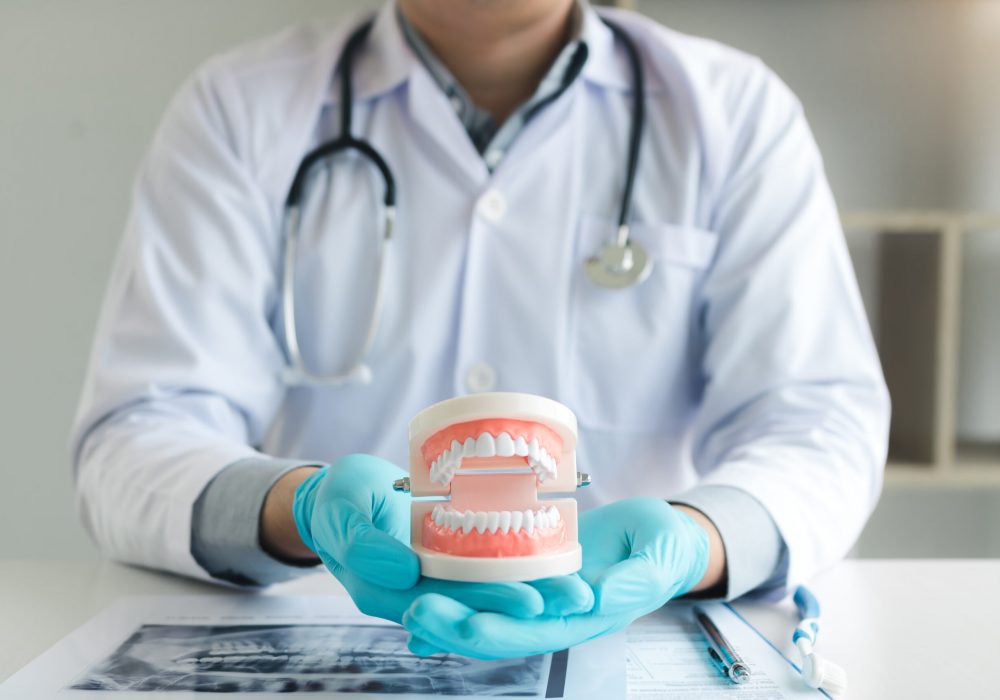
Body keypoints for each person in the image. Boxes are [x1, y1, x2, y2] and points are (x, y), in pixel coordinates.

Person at [72, 0, 889, 659]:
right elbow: (136, 438)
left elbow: (819, 424)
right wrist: (301, 508)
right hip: (331, 639)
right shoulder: (239, 108)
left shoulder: (736, 113)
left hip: (637, 643)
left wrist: (694, 541)